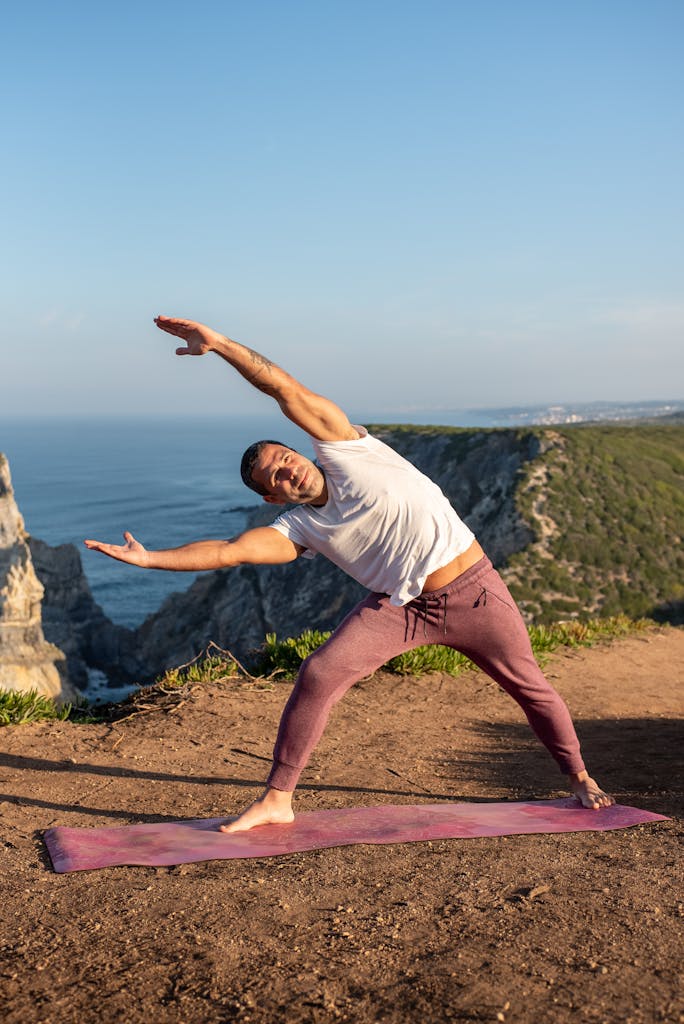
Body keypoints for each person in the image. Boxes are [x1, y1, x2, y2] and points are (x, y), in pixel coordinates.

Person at [85, 315, 614, 832]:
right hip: (401, 609)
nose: (288, 468)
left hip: (474, 592)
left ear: (299, 450)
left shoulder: (346, 449)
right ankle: (277, 800)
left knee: (531, 689)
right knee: (318, 672)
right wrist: (152, 559)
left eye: (285, 457)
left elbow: (281, 388)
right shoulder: (300, 528)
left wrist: (220, 343)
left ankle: (580, 778)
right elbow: (229, 550)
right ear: (273, 496)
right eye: (276, 476)